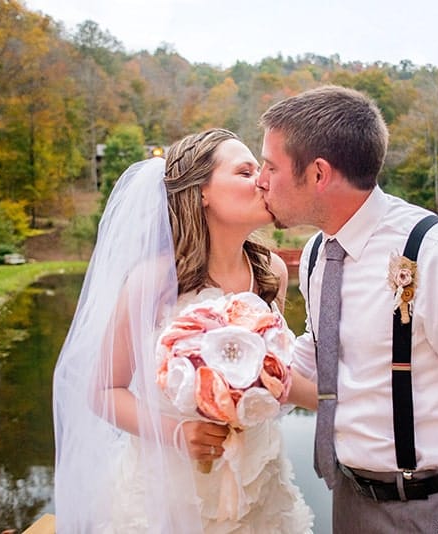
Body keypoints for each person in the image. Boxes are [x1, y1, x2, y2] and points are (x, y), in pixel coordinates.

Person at [255, 85, 438, 533]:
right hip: (347, 499)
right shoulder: (316, 253)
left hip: (428, 508)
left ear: (319, 174)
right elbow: (321, 347)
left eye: (271, 166)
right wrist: (240, 386)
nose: (260, 180)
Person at [53, 128, 316, 533]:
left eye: (261, 169)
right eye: (245, 171)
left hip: (257, 480)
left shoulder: (271, 273)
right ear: (202, 191)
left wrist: (343, 404)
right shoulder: (154, 281)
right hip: (171, 490)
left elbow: (273, 378)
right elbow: (103, 391)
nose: (263, 179)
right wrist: (178, 434)